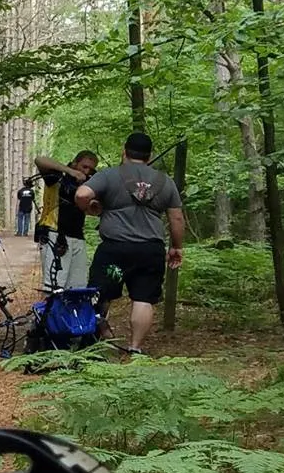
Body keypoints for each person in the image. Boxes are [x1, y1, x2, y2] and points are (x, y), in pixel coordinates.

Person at [78, 132, 185, 354]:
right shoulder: (164, 182)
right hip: (150, 250)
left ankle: (98, 339)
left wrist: (89, 207)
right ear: (150, 155)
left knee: (102, 292)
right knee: (144, 298)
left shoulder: (109, 175)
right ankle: (135, 347)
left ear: (124, 151)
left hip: (115, 249)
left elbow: (81, 194)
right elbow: (176, 218)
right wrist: (176, 247)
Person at [33, 150, 98, 291]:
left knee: (78, 289)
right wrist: (71, 171)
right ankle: (50, 314)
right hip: (55, 235)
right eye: (84, 167)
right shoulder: (58, 177)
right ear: (75, 163)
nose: (87, 172)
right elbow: (39, 160)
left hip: (78, 237)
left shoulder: (88, 185)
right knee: (54, 289)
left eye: (91, 169)